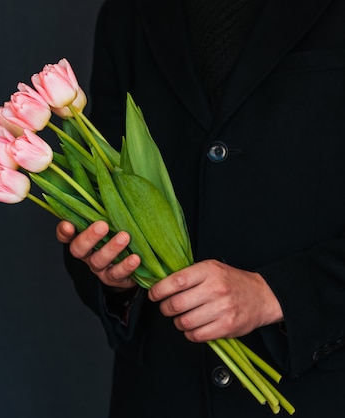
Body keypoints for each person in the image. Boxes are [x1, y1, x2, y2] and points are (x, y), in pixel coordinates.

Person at [56, 0, 345, 417]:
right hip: (163, 394)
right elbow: (103, 184)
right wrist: (115, 277)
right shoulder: (126, 12)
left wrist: (275, 294)